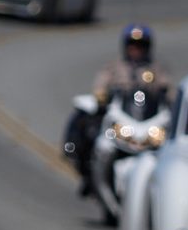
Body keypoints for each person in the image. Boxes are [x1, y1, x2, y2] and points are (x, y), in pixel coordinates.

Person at [65, 24, 174, 197]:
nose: (135, 49)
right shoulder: (114, 67)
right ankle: (89, 175)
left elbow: (168, 92)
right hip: (121, 116)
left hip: (145, 119)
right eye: (132, 44)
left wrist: (166, 96)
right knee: (97, 139)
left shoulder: (156, 69)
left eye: (140, 45)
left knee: (169, 147)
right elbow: (100, 85)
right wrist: (101, 94)